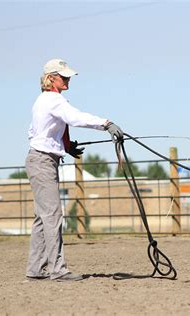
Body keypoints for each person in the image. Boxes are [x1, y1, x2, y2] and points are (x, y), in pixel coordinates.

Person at [25, 58, 123, 281]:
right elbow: (75, 118)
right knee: (52, 215)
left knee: (43, 217)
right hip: (43, 161)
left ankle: (36, 269)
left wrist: (66, 146)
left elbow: (40, 131)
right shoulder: (53, 100)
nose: (68, 79)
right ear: (51, 78)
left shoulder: (44, 100)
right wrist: (106, 124)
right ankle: (57, 270)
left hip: (41, 160)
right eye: (63, 76)